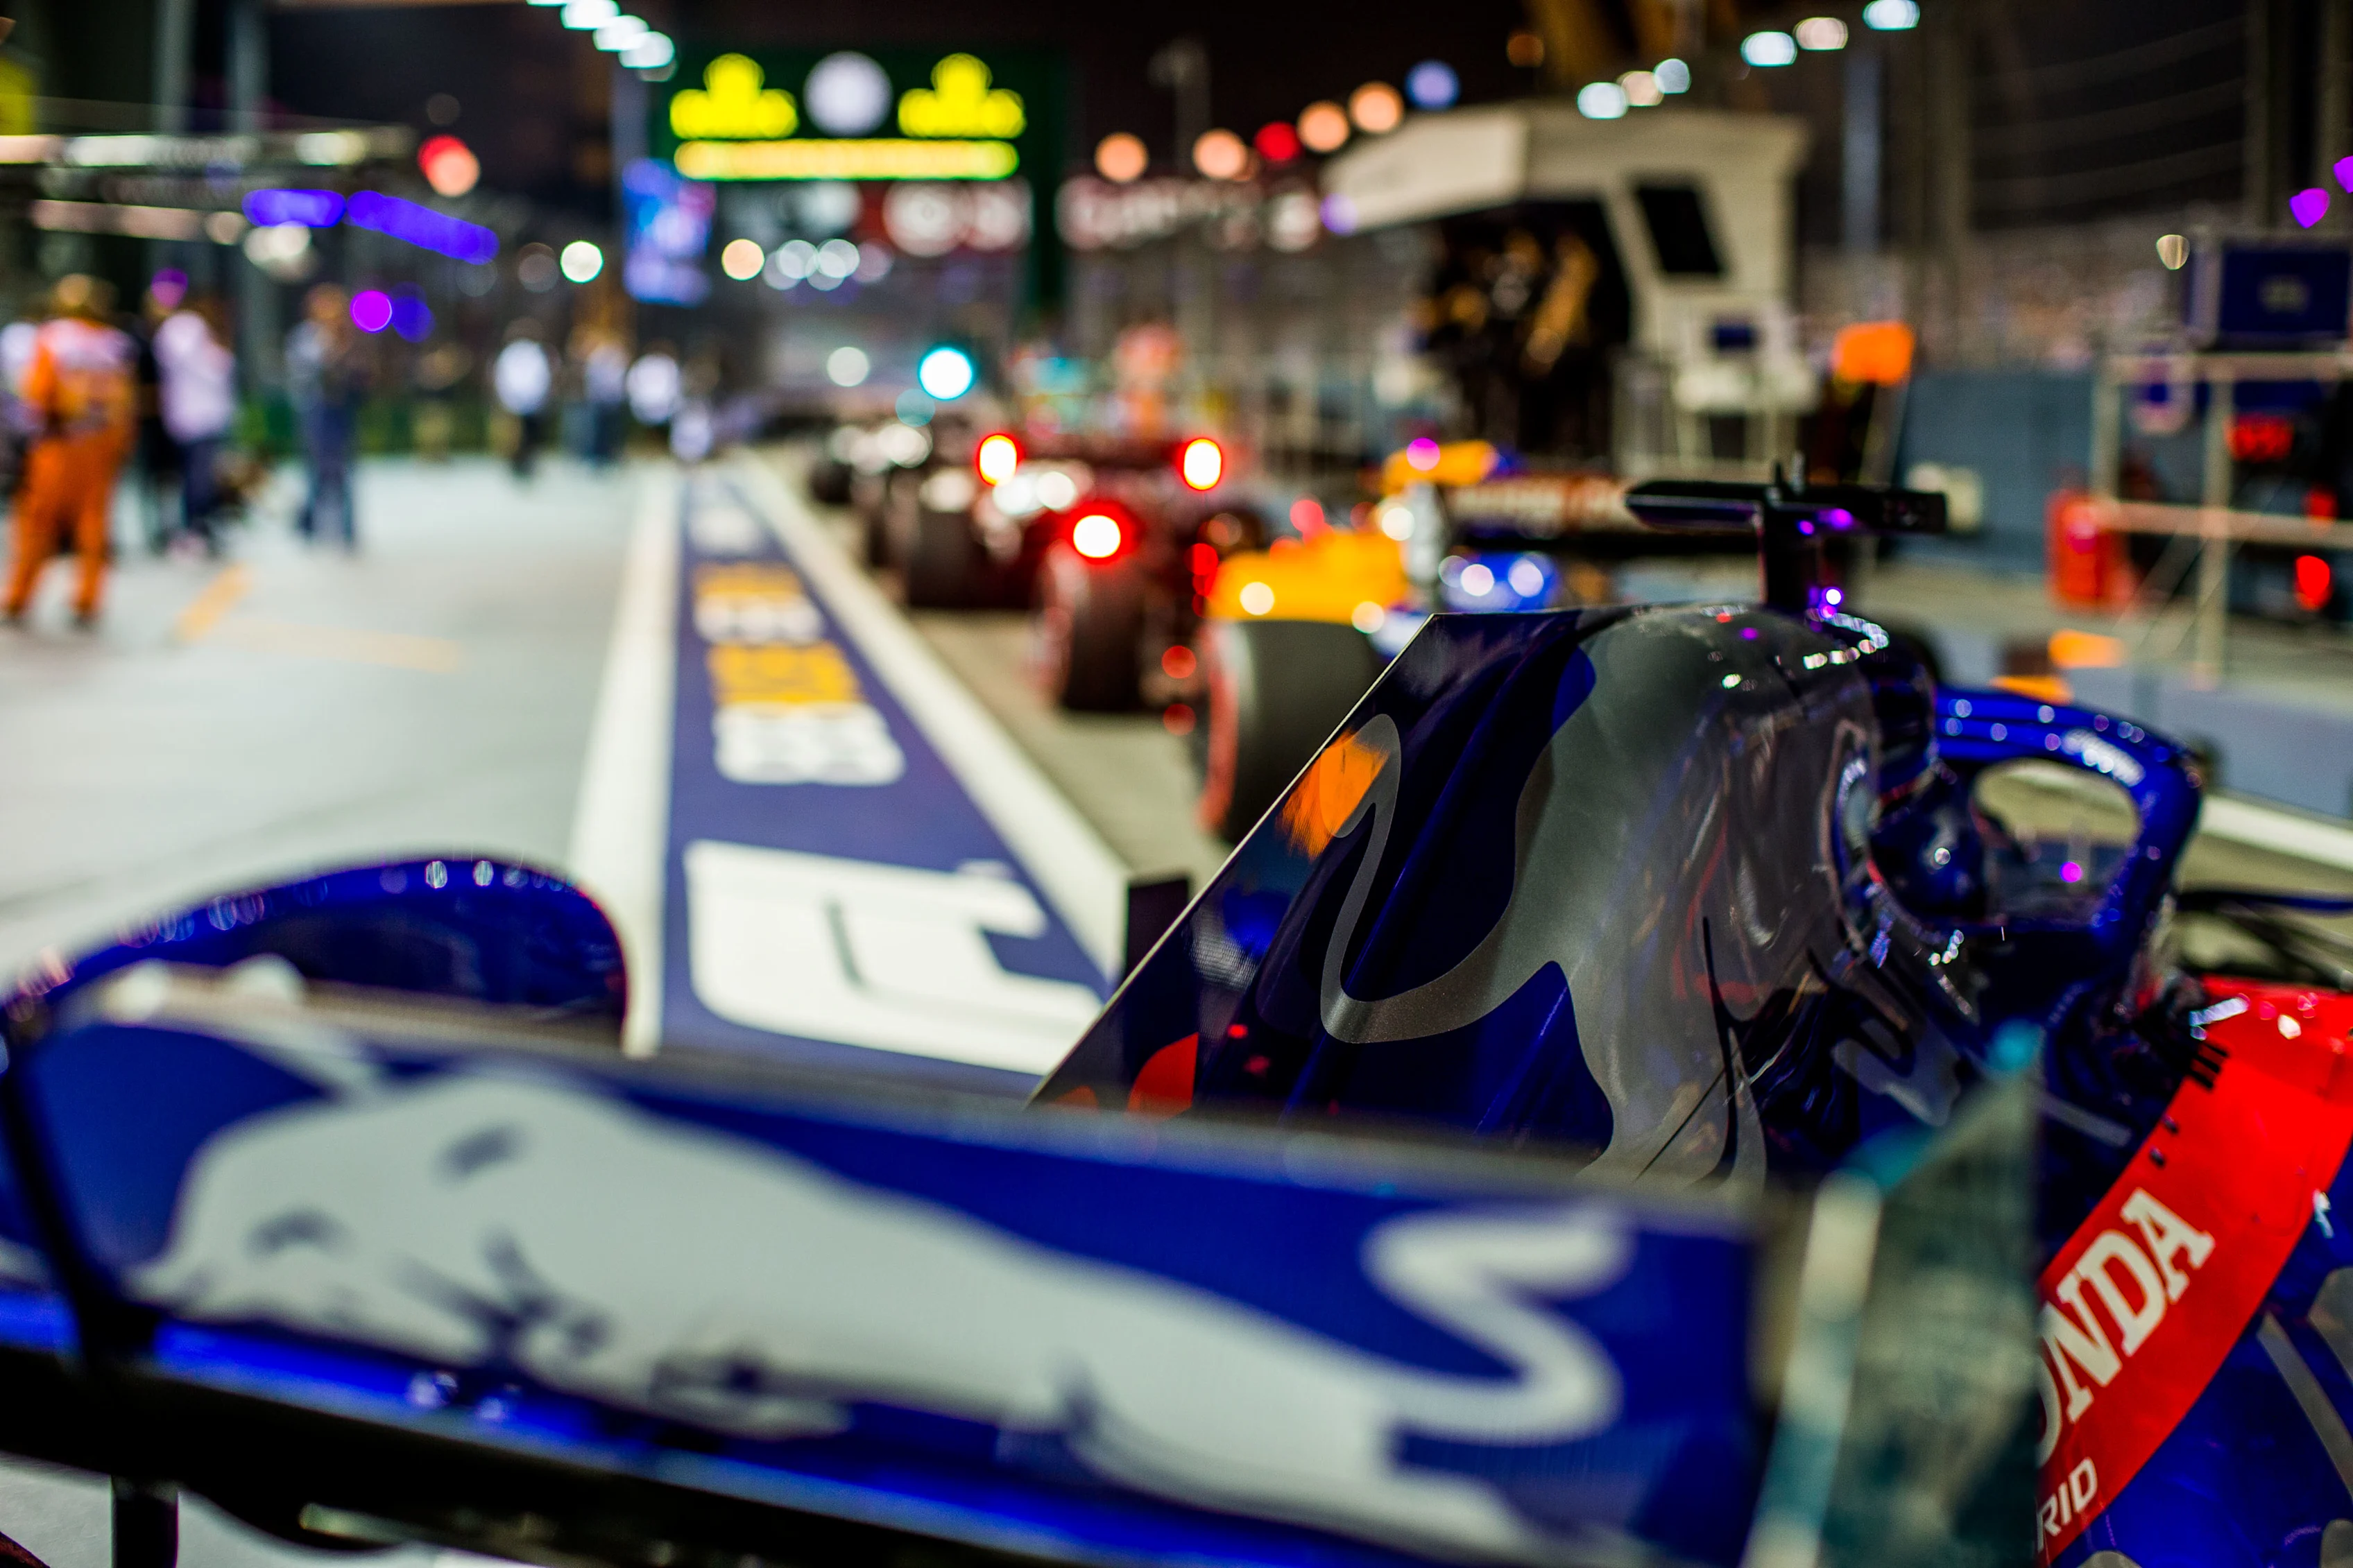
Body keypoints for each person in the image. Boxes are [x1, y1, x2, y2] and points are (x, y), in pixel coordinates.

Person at [2, 275, 136, 627]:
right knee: (94, 521)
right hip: (100, 443)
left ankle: (18, 597)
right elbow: (126, 401)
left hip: (57, 443)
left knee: (37, 520)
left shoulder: (54, 338)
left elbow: (38, 393)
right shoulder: (116, 343)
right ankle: (87, 599)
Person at [152, 300, 237, 555]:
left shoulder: (206, 341)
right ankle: (193, 529)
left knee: (204, 479)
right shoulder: (184, 328)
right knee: (195, 480)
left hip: (207, 418)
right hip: (192, 419)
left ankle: (202, 527)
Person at [285, 284, 366, 547]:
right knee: (317, 470)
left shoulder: (348, 337)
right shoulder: (306, 337)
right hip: (316, 409)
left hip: (341, 411)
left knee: (344, 470)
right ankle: (310, 525)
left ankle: (346, 530)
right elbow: (301, 374)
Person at [493, 320, 553, 481]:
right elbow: (504, 377)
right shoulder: (512, 353)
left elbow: (541, 378)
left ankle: (527, 466)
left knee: (531, 438)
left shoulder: (535, 353)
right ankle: (516, 466)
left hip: (531, 403)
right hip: (516, 403)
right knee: (515, 439)